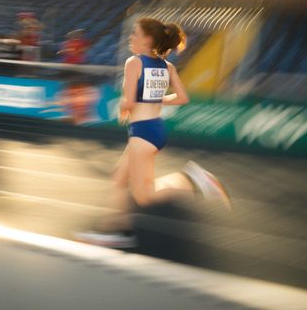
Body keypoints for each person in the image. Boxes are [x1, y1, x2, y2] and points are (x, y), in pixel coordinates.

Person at [75, 18, 231, 248]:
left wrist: (122, 108)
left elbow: (128, 101)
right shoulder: (167, 67)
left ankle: (191, 180)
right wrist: (152, 100)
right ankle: (118, 229)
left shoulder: (133, 63)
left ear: (147, 39)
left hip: (142, 133)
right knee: (119, 178)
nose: (131, 38)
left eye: (135, 34)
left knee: (144, 196)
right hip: (154, 128)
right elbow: (182, 98)